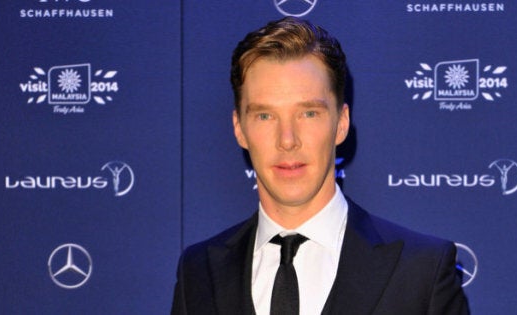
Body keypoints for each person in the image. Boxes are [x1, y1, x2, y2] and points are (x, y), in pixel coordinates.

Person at [172, 17, 469, 315]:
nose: (287, 140)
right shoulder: (198, 272)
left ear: (341, 123)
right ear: (239, 128)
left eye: (308, 113)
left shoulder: (421, 271)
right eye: (265, 116)